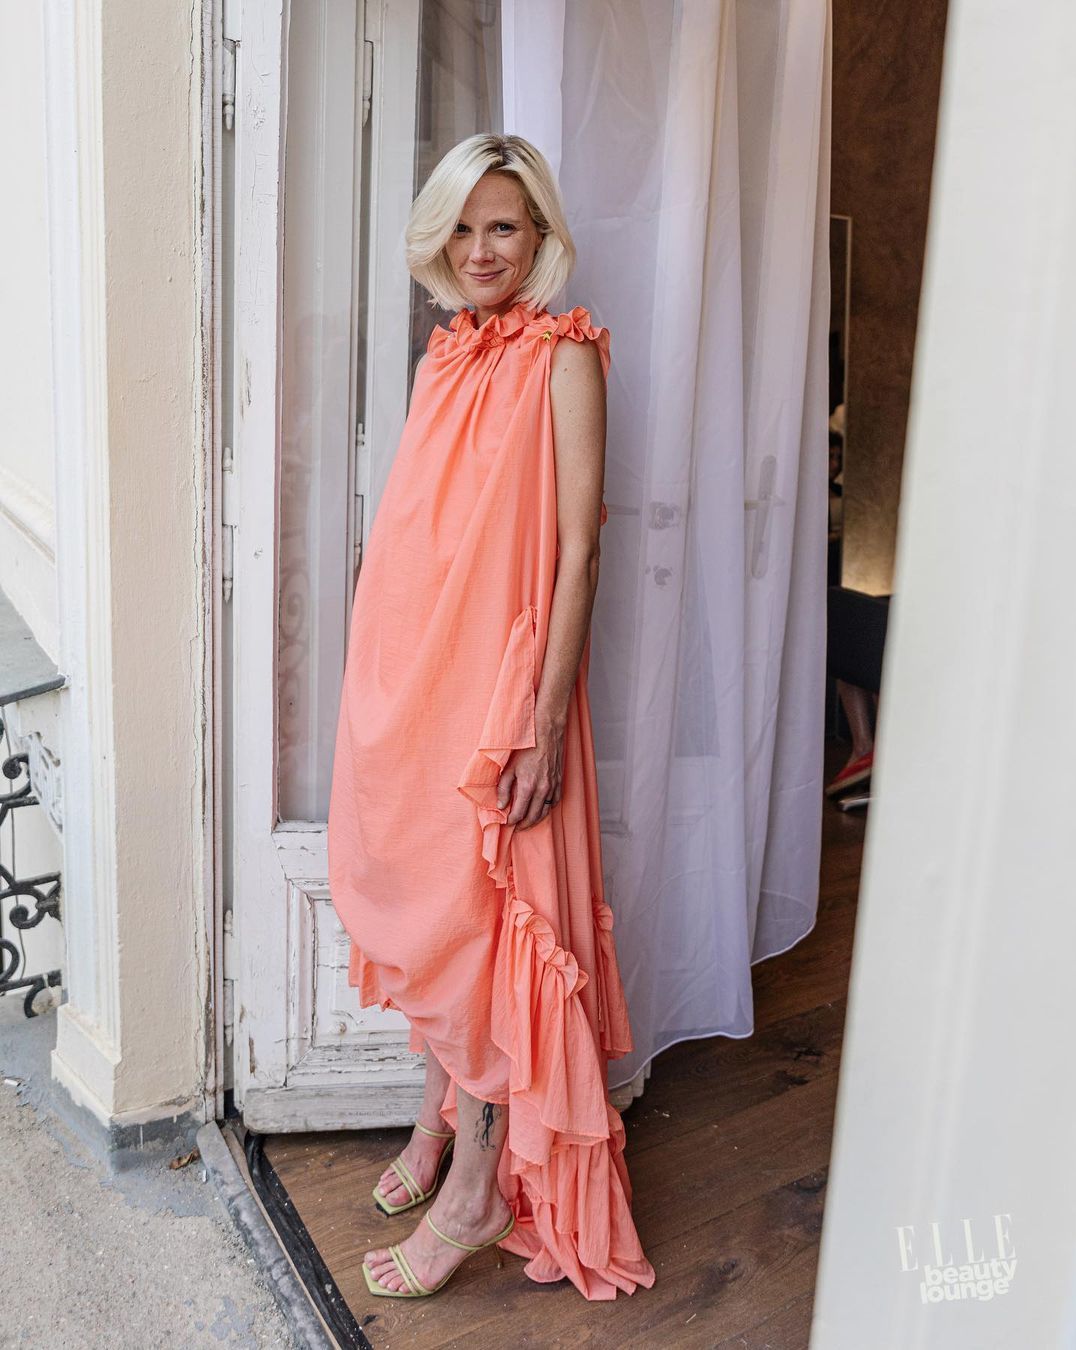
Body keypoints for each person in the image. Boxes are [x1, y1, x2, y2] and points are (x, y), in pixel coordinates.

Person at [327, 133, 655, 1303]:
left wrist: (544, 718)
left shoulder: (566, 358)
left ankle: (476, 1191)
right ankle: (434, 1120)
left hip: (498, 697)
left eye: (503, 225)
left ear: (540, 234)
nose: (481, 250)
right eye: (462, 228)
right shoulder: (446, 355)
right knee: (426, 909)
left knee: (486, 929)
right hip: (411, 683)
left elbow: (578, 555)